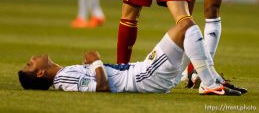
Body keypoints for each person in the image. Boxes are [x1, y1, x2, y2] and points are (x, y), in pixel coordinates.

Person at [18, 25, 245, 95]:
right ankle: (209, 82)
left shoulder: (64, 73)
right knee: (185, 26)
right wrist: (96, 61)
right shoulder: (64, 78)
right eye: (30, 64)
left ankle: (208, 79)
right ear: (40, 74)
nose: (32, 59)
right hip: (143, 77)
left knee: (187, 29)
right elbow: (102, 87)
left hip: (143, 72)